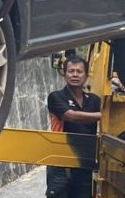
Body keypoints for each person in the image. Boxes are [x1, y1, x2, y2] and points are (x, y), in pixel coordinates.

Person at [46, 56, 101, 198]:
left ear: (86, 75)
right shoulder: (56, 97)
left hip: (85, 162)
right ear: (64, 74)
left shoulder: (94, 100)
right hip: (60, 163)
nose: (75, 75)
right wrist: (101, 115)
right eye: (71, 71)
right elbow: (70, 116)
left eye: (79, 71)